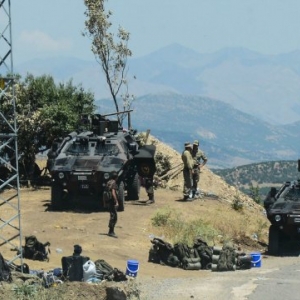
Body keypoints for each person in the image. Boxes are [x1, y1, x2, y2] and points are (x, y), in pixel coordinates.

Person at [106, 172, 119, 238]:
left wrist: (104, 202)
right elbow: (113, 193)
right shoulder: (114, 183)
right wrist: (116, 201)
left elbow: (104, 192)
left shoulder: (108, 182)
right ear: (116, 177)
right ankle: (111, 231)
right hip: (112, 202)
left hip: (108, 201)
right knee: (114, 217)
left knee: (112, 215)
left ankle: (110, 230)